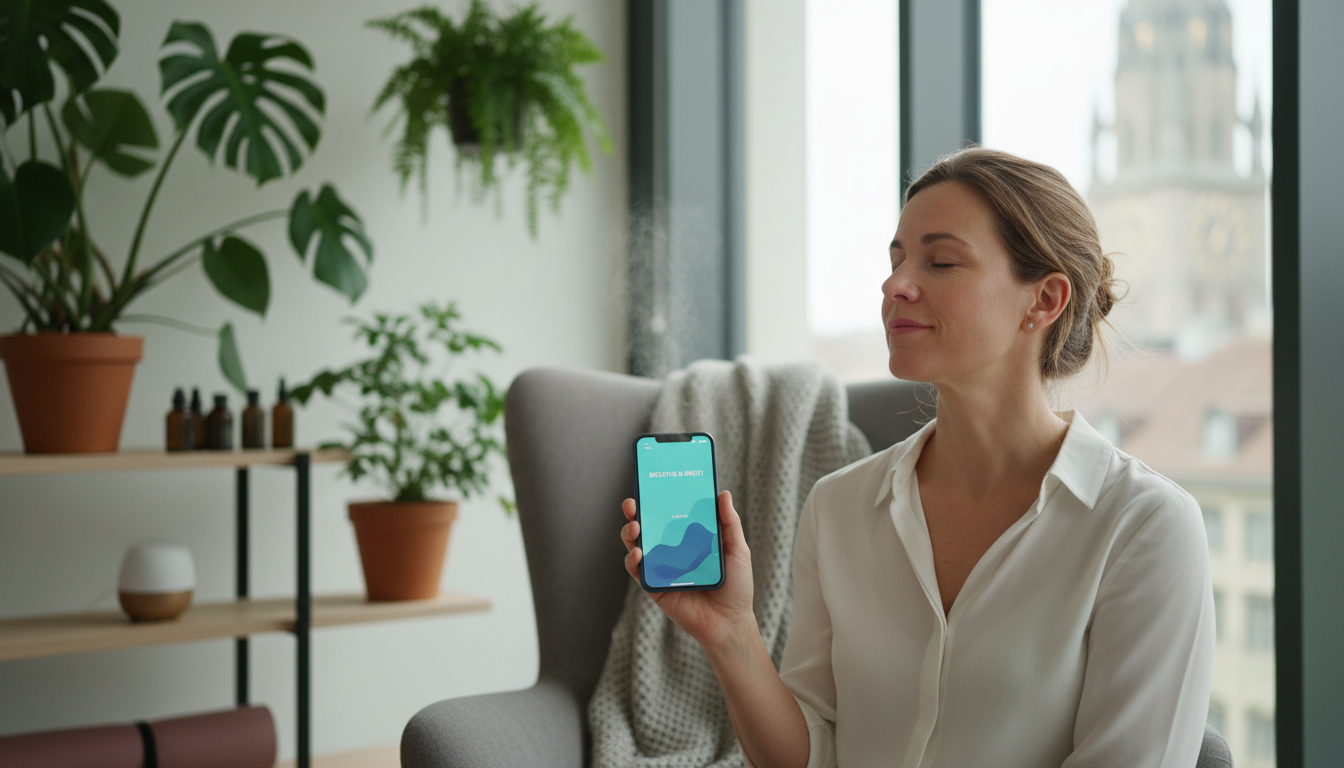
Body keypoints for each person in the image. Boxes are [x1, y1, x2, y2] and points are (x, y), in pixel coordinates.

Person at [618, 147, 1215, 768]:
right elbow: (811, 756)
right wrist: (731, 632)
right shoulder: (839, 506)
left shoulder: (1146, 527)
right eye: (897, 259)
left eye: (942, 261)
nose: (895, 284)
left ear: (1044, 301)